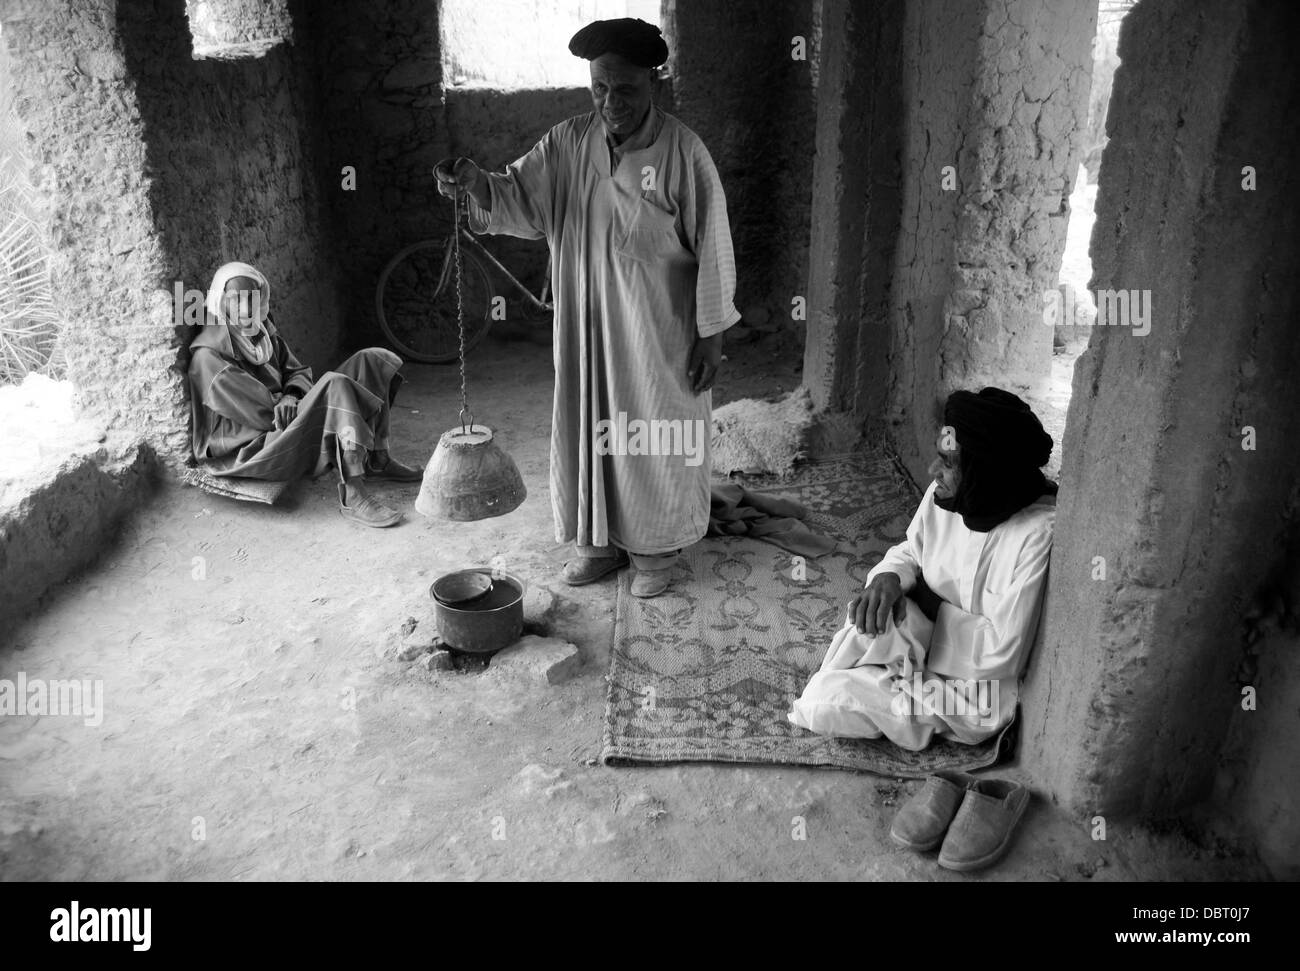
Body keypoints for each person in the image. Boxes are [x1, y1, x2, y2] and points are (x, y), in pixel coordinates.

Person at [434, 17, 741, 598]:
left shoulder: (683, 153)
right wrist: (476, 184)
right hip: (585, 329)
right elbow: (517, 196)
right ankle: (597, 542)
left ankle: (656, 549)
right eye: (599, 88)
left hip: (657, 334)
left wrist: (712, 334)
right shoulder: (568, 143)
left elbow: (715, 248)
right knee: (587, 425)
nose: (610, 102)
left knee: (654, 432)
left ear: (654, 82)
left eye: (624, 89)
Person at [788, 387, 1058, 751]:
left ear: (985, 472)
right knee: (868, 622)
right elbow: (911, 551)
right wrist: (888, 578)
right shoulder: (947, 496)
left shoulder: (1035, 534)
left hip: (970, 691)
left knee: (824, 701)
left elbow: (1002, 656)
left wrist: (929, 606)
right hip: (923, 633)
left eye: (947, 464)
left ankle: (890, 686)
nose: (934, 471)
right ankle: (888, 674)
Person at [187, 261, 423, 527]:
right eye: (235, 299)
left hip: (286, 412)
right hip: (255, 444)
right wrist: (300, 401)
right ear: (220, 302)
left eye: (252, 298)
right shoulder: (209, 358)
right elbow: (264, 415)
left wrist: (292, 394)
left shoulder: (262, 334)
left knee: (372, 359)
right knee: (336, 386)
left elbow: (298, 371)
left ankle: (378, 459)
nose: (245, 308)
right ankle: (353, 493)